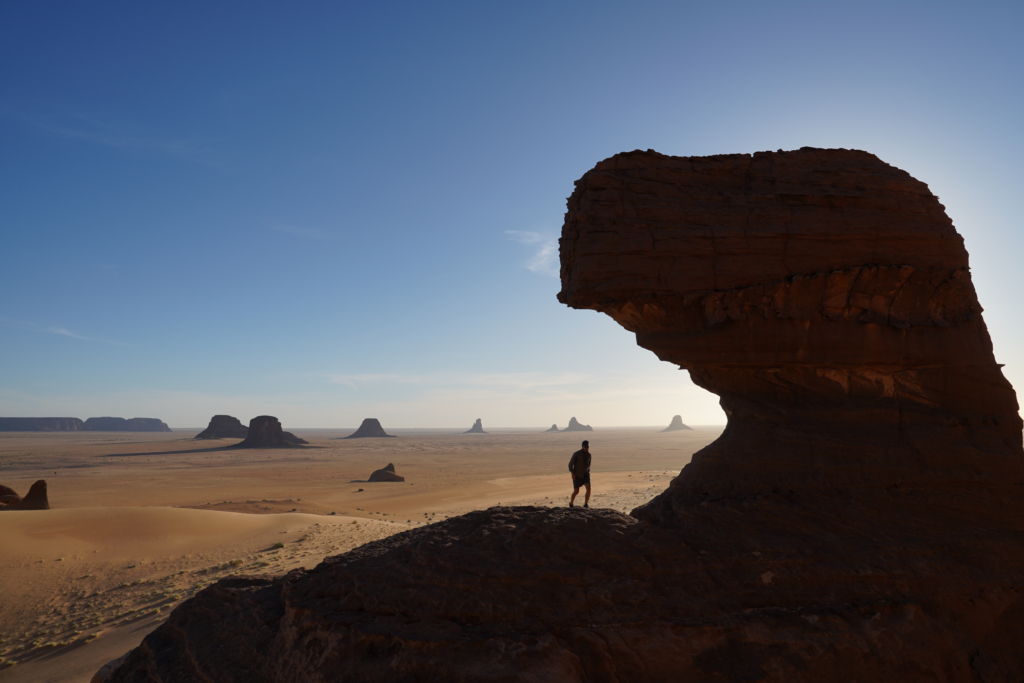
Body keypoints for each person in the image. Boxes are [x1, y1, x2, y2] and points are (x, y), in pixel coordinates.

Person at [568, 440, 591, 508]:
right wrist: (573, 474)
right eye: (585, 446)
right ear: (582, 446)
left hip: (585, 474)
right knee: (576, 491)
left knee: (588, 488)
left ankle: (585, 504)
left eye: (588, 446)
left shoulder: (589, 455)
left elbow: (589, 464)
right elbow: (570, 465)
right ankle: (571, 503)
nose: (587, 448)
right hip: (577, 475)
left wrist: (587, 471)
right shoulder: (576, 454)